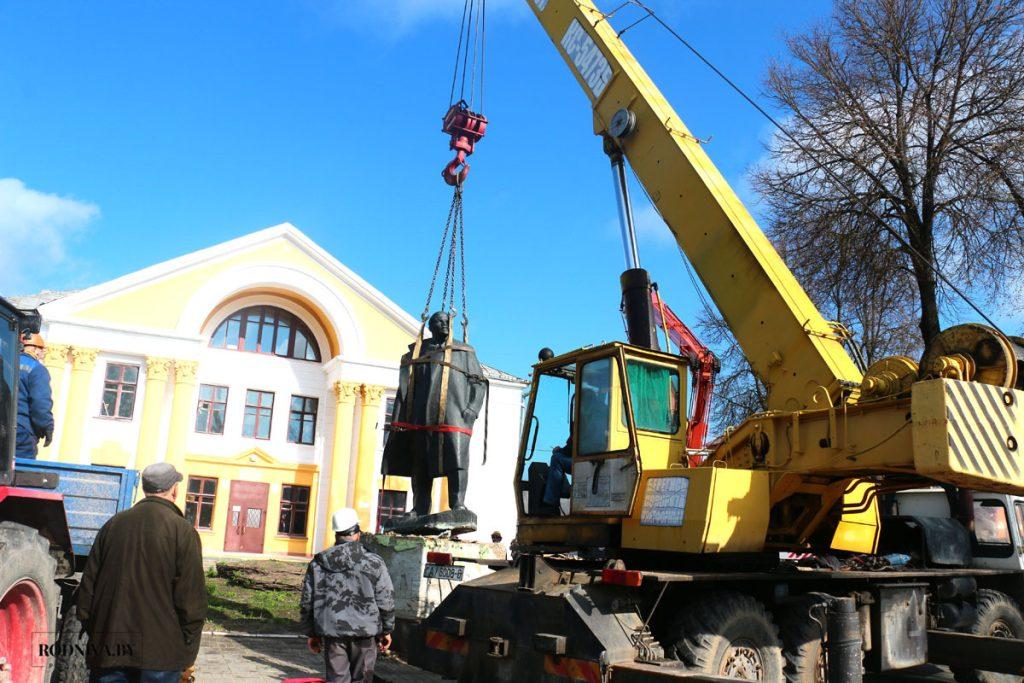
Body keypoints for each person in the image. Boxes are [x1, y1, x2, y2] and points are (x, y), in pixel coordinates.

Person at [78, 463, 207, 683]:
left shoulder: (113, 525)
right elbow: (191, 600)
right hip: (161, 654)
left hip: (110, 648)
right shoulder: (183, 531)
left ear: (145, 489)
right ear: (174, 490)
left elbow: (88, 588)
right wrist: (187, 651)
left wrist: (97, 632)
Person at [300, 508, 395, 683]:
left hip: (333, 633)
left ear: (336, 534)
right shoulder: (374, 562)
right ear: (357, 533)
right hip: (365, 633)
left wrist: (311, 633)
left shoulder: (318, 563)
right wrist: (387, 630)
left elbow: (307, 602)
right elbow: (385, 599)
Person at [16, 332, 53, 459]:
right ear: (33, 348)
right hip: (20, 432)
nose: (42, 354)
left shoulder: (5, 362)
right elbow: (40, 404)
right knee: (20, 469)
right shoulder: (37, 369)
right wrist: (47, 427)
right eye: (41, 349)